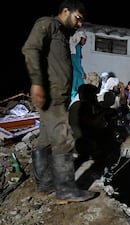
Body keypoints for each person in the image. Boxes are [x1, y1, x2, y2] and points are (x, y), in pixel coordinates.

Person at [21, 0, 96, 204]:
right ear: (65, 11)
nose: (79, 24)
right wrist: (36, 83)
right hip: (51, 94)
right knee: (64, 138)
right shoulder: (48, 24)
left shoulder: (62, 33)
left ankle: (45, 185)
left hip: (58, 96)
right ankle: (66, 191)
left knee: (45, 140)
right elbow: (30, 49)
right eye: (78, 18)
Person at [69, 31, 87, 102]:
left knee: (75, 90)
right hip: (76, 72)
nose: (85, 42)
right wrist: (82, 72)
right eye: (84, 39)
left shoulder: (74, 47)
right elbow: (76, 61)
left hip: (75, 71)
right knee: (79, 89)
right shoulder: (77, 47)